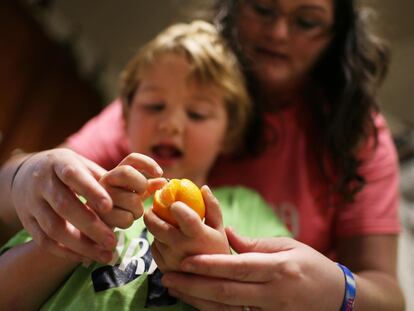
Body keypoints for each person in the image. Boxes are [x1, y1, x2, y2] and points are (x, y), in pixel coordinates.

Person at [0, 0, 405, 310]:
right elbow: (36, 186)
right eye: (262, 8)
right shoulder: (174, 76)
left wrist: (339, 290)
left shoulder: (353, 132)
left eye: (307, 21)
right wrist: (25, 175)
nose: (279, 32)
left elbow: (388, 296)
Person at [0, 21, 289, 310]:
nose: (170, 124)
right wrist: (81, 232)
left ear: (228, 134)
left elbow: (286, 295)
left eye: (197, 114)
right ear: (124, 119)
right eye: (154, 106)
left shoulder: (247, 209)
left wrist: (215, 264)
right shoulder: (86, 193)